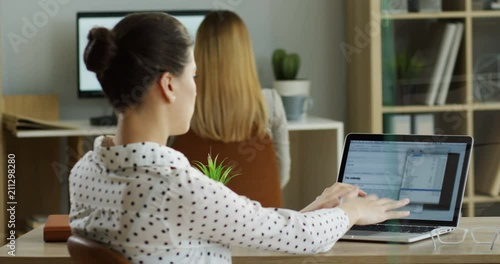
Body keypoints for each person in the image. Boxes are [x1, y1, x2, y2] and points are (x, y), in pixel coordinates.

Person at [69, 11, 410, 264]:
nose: (197, 87)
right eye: (195, 75)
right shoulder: (175, 184)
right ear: (169, 85)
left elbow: (243, 233)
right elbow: (297, 236)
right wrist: (352, 211)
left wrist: (312, 211)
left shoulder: (84, 172)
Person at [171, 10, 289, 207]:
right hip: (259, 230)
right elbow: (280, 176)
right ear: (244, 52)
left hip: (197, 226)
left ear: (199, 52)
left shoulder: (178, 103)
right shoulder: (269, 102)